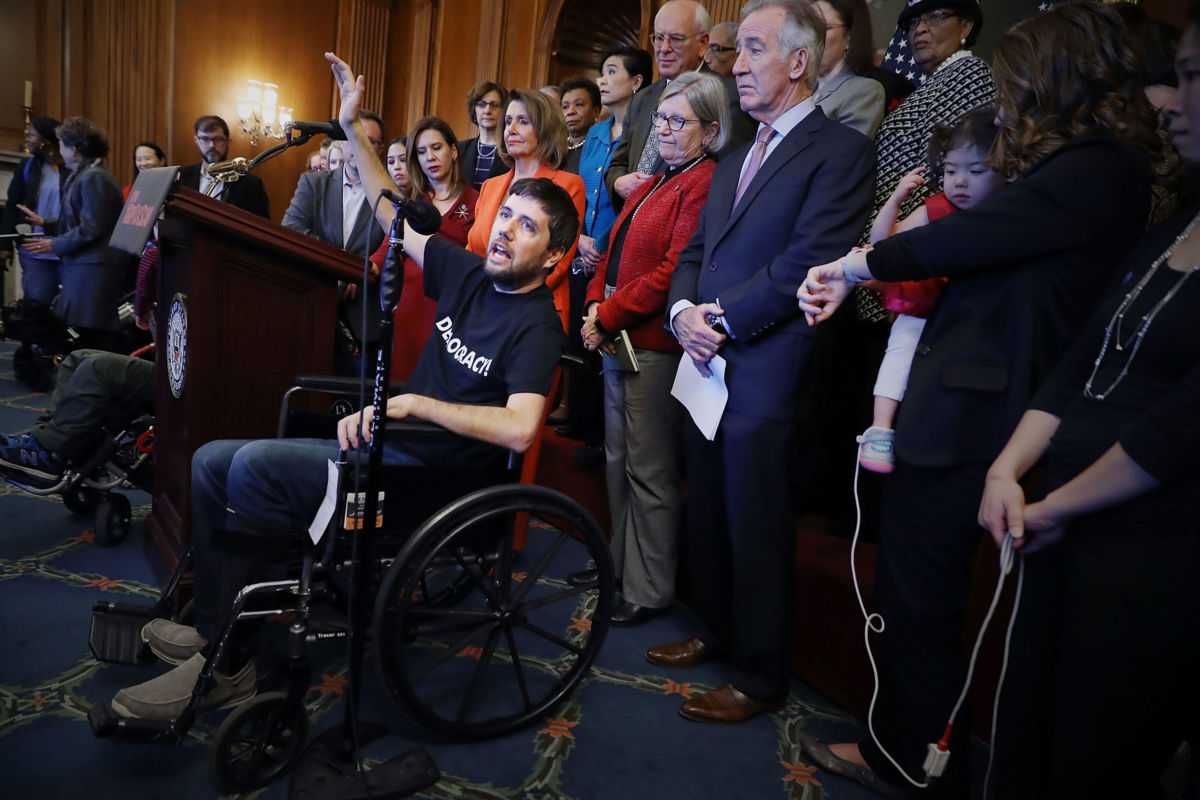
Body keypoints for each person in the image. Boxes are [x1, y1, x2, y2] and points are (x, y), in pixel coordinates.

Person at [104, 52, 578, 718]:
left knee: (253, 472)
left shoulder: (537, 326)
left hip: (432, 479)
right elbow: (391, 213)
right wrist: (353, 128)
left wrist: (411, 404)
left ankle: (232, 663)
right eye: (507, 218)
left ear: (554, 255)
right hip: (390, 446)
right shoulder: (469, 273)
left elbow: (522, 426)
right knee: (213, 462)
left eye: (527, 228)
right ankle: (215, 628)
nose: (505, 232)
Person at [794, 4, 1167, 796]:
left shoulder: (1099, 167)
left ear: (1055, 78)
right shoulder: (1075, 167)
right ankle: (909, 746)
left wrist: (857, 265)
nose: (1007, 100)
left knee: (921, 596)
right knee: (910, 588)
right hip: (965, 400)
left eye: (1015, 81)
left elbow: (961, 240)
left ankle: (912, 759)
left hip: (980, 412)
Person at [974, 9, 1200, 797]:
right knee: (1024, 734)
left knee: (1091, 760)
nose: (1168, 100)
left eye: (1192, 78)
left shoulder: (1106, 173)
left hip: (1148, 548)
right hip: (1058, 517)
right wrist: (1010, 470)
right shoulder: (1173, 228)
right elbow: (1082, 361)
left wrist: (1057, 502)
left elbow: (1181, 427)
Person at [650, 0, 874, 724]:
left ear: (799, 61)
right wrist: (684, 313)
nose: (734, 64)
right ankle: (716, 633)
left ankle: (761, 675)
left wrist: (722, 318)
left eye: (750, 50)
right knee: (709, 508)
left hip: (769, 364)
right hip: (707, 359)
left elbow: (809, 260)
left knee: (757, 523)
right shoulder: (738, 154)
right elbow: (693, 254)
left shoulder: (841, 152)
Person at [579, 72, 724, 626]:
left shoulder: (702, 181)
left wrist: (608, 313)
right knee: (619, 463)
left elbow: (671, 273)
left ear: (710, 131)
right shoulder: (661, 178)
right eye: (661, 117)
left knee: (650, 470)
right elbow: (611, 251)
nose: (662, 128)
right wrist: (595, 304)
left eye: (677, 120)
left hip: (654, 345)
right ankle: (617, 567)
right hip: (619, 337)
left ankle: (649, 587)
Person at [858, 108, 1005, 473]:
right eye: (952, 171)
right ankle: (880, 428)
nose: (960, 182)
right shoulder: (937, 207)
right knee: (901, 344)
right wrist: (895, 200)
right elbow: (882, 249)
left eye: (976, 171)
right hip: (924, 304)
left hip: (973, 318)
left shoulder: (1008, 216)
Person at [604, 0, 755, 211]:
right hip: (630, 222)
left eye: (676, 39)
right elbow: (617, 165)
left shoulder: (727, 98)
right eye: (658, 38)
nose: (664, 48)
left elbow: (726, 182)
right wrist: (619, 183)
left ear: (703, 44)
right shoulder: (642, 98)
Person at [864, 0, 993, 237]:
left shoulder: (967, 73)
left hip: (903, 243)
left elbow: (939, 176)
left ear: (965, 26)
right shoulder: (936, 81)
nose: (919, 28)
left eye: (934, 16)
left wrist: (890, 243)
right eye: (914, 22)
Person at [467, 88, 586, 332]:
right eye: (508, 121)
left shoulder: (568, 185)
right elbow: (472, 250)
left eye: (523, 122)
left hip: (534, 314)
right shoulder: (491, 186)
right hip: (482, 308)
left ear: (545, 129)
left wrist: (503, 298)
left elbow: (557, 264)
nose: (510, 130)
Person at [281, 110, 388, 375]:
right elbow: (292, 228)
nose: (361, 146)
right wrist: (339, 266)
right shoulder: (313, 183)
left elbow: (393, 245)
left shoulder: (391, 193)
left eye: (370, 141)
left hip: (364, 319)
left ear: (381, 149)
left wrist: (360, 272)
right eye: (354, 137)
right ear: (341, 142)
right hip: (312, 305)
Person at [373, 117, 478, 381]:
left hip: (453, 313)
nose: (429, 157)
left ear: (454, 151)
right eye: (421, 152)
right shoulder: (411, 202)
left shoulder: (479, 201)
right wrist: (355, 269)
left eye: (436, 147)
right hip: (409, 309)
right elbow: (387, 248)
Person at [18, 117, 129, 342]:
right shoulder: (84, 174)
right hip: (84, 266)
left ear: (74, 149)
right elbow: (80, 218)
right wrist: (46, 223)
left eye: (61, 144)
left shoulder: (95, 177)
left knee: (90, 336)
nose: (59, 150)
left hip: (94, 269)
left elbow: (91, 228)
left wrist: (53, 243)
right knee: (78, 333)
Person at [0, 350, 154, 487]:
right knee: (75, 359)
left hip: (173, 376)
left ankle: (50, 453)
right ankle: (43, 440)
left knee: (98, 367)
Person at [1, 117, 62, 305]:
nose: (27, 138)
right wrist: (4, 245)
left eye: (32, 134)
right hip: (34, 249)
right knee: (38, 306)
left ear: (47, 140)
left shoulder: (72, 167)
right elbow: (12, 206)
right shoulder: (26, 167)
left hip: (67, 247)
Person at [812, 0, 885, 138]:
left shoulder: (864, 91)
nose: (811, 36)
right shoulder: (802, 91)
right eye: (808, 28)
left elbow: (843, 156)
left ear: (849, 37)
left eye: (821, 27)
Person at [177, 115, 270, 218]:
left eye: (218, 139)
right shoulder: (181, 176)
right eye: (205, 139)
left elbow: (261, 225)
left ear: (228, 142)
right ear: (196, 140)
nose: (212, 145)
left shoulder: (250, 183)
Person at [460, 80, 511, 190]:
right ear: (474, 111)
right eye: (481, 105)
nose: (487, 110)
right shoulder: (459, 149)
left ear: (504, 111)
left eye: (495, 105)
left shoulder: (512, 151)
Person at [560, 76, 601, 175]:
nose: (570, 112)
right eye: (565, 106)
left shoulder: (600, 149)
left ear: (596, 111)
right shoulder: (554, 147)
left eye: (579, 104)